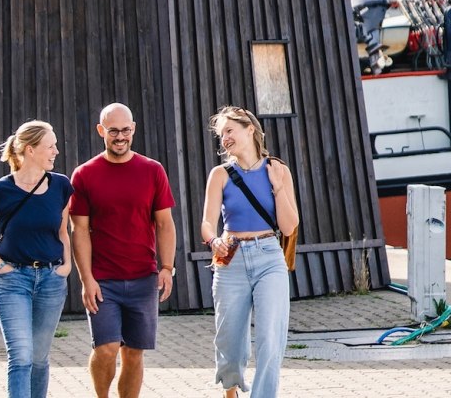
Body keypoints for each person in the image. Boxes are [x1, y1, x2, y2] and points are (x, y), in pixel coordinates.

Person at [70, 103, 177, 398]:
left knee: (134, 353)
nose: (120, 137)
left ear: (134, 129)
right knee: (106, 348)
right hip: (103, 280)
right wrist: (86, 279)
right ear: (101, 131)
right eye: (113, 130)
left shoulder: (152, 170)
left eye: (126, 130)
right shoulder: (84, 174)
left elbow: (165, 224)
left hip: (144, 278)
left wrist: (167, 267)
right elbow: (79, 230)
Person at [200, 106, 299, 398]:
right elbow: (207, 222)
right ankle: (230, 389)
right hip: (231, 259)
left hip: (269, 256)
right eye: (221, 135)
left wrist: (278, 188)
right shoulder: (220, 174)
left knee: (270, 337)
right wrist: (212, 239)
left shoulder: (278, 170)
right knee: (229, 341)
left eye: (229, 131)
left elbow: (289, 226)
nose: (224, 139)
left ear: (249, 130)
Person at [0, 120, 75, 398]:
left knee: (39, 358)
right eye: (50, 146)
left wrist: (66, 266)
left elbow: (62, 231)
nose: (56, 151)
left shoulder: (61, 186)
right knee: (21, 356)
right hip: (12, 281)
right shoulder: (0, 190)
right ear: (30, 150)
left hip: (51, 280)